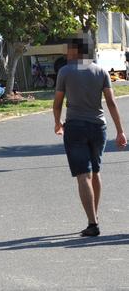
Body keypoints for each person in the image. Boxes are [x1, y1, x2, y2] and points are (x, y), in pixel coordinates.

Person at [53, 35, 126, 237]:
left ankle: (92, 222)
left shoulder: (65, 72)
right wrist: (120, 130)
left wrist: (57, 122)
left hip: (75, 127)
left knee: (83, 175)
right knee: (96, 171)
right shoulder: (101, 70)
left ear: (76, 51)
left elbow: (58, 102)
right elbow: (111, 102)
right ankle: (95, 215)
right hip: (98, 127)